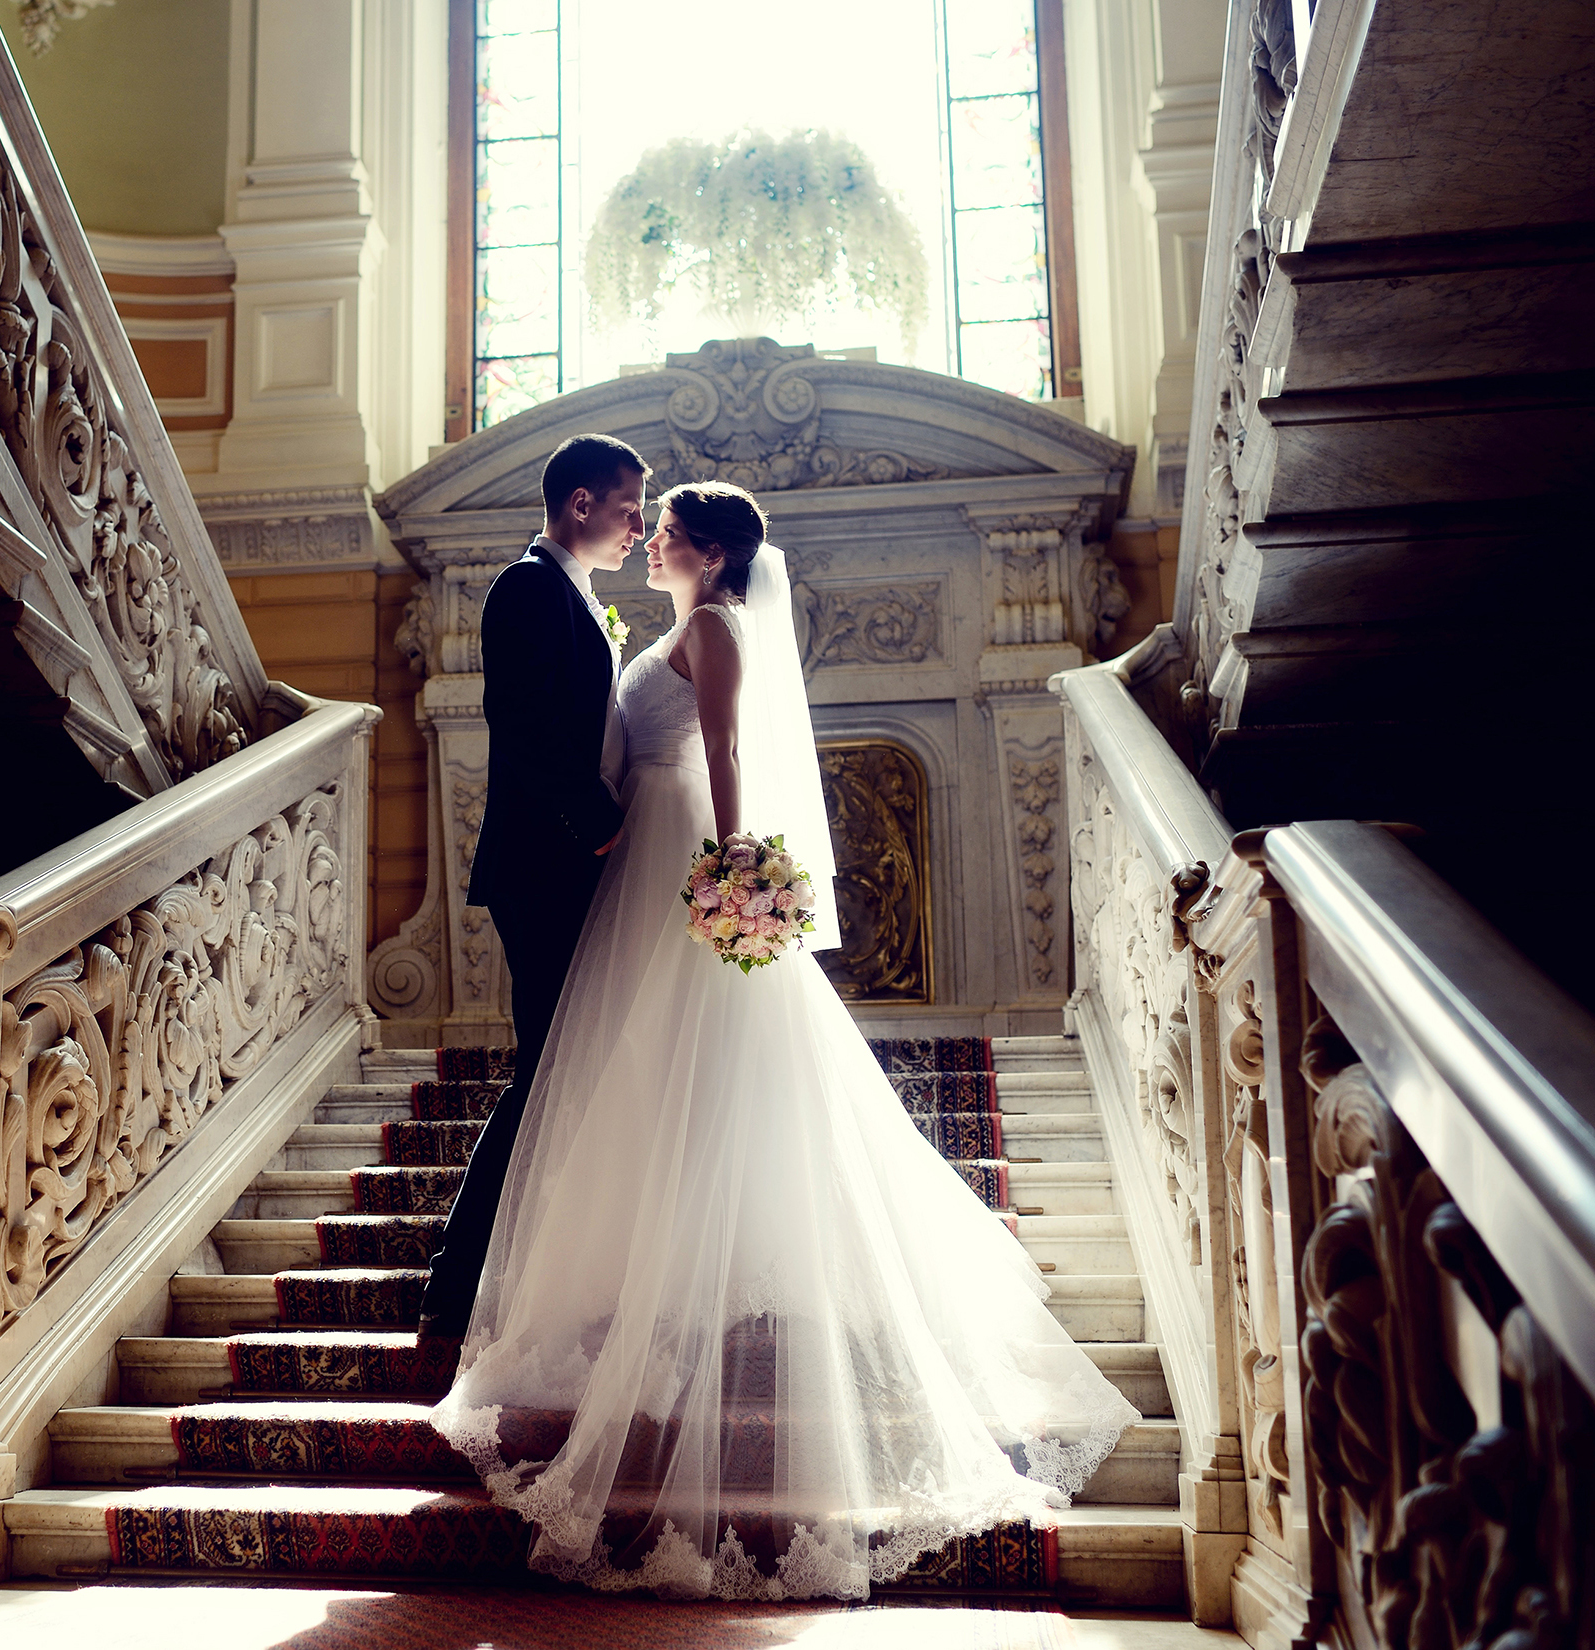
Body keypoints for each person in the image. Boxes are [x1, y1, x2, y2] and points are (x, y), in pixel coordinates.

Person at [431, 479, 1139, 1600]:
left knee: (696, 1042)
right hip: (645, 851)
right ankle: (650, 1250)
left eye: (663, 530)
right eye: (643, 522)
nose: (648, 537)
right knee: (642, 1055)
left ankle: (698, 1261)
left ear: (708, 555)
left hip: (683, 842)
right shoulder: (676, 621)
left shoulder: (714, 627)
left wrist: (732, 868)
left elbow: (726, 753)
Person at [416, 434, 647, 1340]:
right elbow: (519, 726)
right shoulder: (526, 586)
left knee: (558, 1069)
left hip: (565, 861)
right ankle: (455, 1277)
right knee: (547, 1070)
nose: (637, 525)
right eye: (628, 506)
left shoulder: (576, 593)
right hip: (546, 862)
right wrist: (598, 823)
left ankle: (505, 1270)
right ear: (580, 504)